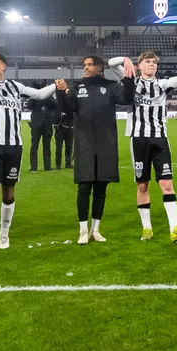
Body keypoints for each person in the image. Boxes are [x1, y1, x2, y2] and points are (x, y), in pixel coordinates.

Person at [0, 43, 56, 254]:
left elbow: (41, 94)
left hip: (15, 147)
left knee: (9, 191)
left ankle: (4, 235)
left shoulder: (16, 87)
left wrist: (56, 84)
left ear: (3, 65)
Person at [116, 40, 177, 240]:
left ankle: (174, 228)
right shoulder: (131, 80)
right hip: (138, 139)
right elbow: (110, 63)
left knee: (167, 184)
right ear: (139, 65)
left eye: (154, 63)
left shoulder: (163, 84)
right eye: (148, 62)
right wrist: (124, 59)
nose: (152, 65)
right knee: (142, 185)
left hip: (160, 139)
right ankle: (147, 228)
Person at [55, 55, 131, 244]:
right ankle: (82, 230)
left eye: (90, 65)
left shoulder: (112, 86)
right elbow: (67, 109)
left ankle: (95, 229)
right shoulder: (76, 87)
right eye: (84, 65)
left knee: (101, 188)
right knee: (84, 187)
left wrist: (129, 79)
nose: (86, 68)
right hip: (85, 143)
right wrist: (61, 92)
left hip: (106, 144)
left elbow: (126, 99)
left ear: (99, 67)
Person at [29, 94, 56, 172]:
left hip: (47, 125)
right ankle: (33, 167)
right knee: (34, 146)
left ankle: (48, 167)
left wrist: (47, 97)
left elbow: (56, 105)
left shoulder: (49, 96)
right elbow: (29, 106)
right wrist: (36, 97)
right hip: (36, 125)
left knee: (47, 147)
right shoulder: (35, 96)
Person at [55, 93, 75, 170]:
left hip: (69, 127)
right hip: (61, 127)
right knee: (59, 147)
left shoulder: (71, 105)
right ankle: (59, 164)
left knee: (68, 147)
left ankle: (67, 163)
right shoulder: (58, 104)